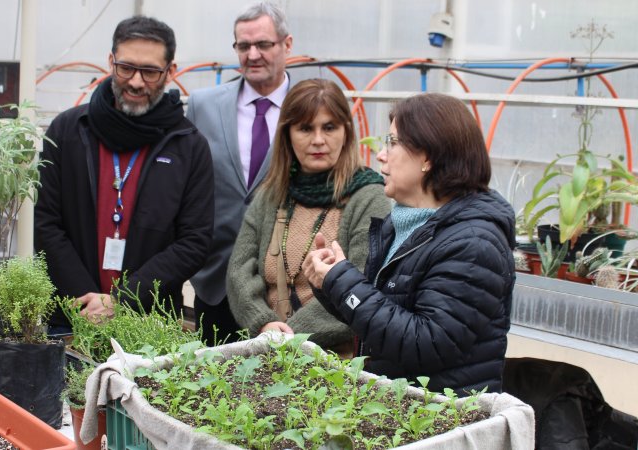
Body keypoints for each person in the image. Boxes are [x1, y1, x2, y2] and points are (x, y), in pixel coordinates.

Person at [304, 93, 516, 394]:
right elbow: (385, 321)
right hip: (399, 404)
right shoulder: (405, 222)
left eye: (392, 142)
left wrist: (344, 282)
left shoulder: (473, 244)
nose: (380, 154)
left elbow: (425, 342)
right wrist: (330, 284)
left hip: (440, 418)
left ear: (428, 157)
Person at [35, 16, 214, 330]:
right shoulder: (69, 131)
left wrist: (123, 299)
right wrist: (84, 297)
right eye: (126, 68)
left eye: (150, 72)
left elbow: (194, 241)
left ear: (170, 72)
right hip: (71, 315)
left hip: (149, 323)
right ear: (110, 62)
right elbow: (46, 222)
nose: (135, 82)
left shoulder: (188, 146)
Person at [226, 79, 390, 355]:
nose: (318, 140)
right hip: (267, 352)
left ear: (346, 132)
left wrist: (289, 337)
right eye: (305, 128)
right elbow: (240, 269)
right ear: (287, 133)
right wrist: (264, 323)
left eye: (329, 127)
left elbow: (366, 285)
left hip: (337, 363)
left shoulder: (368, 197)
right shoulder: (273, 194)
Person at [187, 2, 293, 344]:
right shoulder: (203, 105)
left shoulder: (308, 108)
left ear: (286, 45)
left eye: (263, 45)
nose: (253, 54)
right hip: (216, 280)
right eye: (243, 46)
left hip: (284, 284)